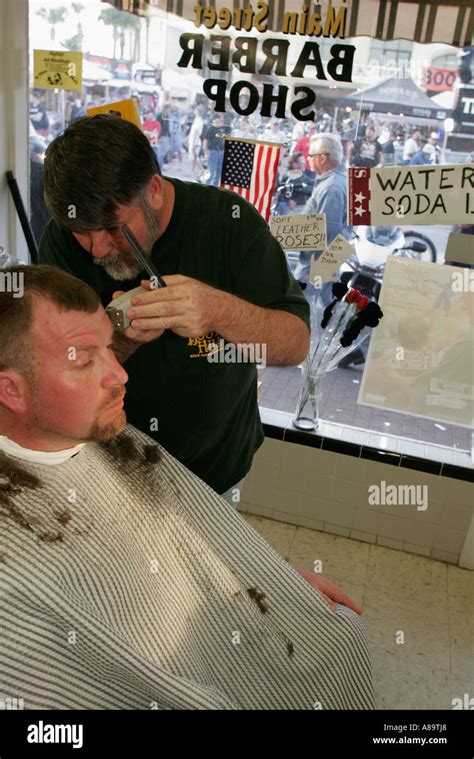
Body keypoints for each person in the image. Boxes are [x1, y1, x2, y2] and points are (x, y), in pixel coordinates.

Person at [0, 264, 374, 710]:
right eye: (83, 359)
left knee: (341, 640)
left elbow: (190, 539)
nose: (119, 375)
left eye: (109, 347)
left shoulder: (102, 435)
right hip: (184, 683)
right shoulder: (13, 573)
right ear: (12, 391)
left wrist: (271, 577)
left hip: (216, 627)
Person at [39, 115, 310, 503]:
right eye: (83, 231)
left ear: (153, 190)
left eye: (114, 228)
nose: (98, 249)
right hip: (104, 465)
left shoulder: (229, 224)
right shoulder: (61, 242)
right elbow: (53, 373)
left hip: (215, 469)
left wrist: (217, 310)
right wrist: (119, 338)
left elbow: (295, 344)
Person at [202, 112, 226, 186]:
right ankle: (206, 186)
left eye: (219, 119)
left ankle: (214, 187)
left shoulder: (222, 129)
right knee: (211, 171)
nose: (218, 120)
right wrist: (205, 152)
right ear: (213, 120)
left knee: (219, 171)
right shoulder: (210, 129)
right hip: (212, 152)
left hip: (221, 152)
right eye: (216, 119)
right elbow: (205, 141)